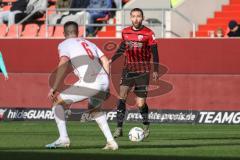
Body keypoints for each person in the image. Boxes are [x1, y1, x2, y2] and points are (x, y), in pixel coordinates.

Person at [45, 21, 118, 150]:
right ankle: (111, 142)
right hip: (103, 79)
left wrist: (55, 86)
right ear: (78, 32)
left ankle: (63, 139)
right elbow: (106, 61)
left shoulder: (64, 44)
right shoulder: (89, 43)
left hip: (89, 82)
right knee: (94, 109)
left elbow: (63, 63)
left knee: (57, 103)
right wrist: (105, 85)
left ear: (64, 33)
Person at [110, 8, 160, 138]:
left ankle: (145, 124)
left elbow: (155, 52)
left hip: (143, 71)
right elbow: (122, 47)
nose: (136, 19)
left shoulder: (149, 33)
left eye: (138, 16)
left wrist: (156, 69)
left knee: (140, 103)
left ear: (142, 18)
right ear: (130, 18)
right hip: (128, 69)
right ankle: (119, 128)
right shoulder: (125, 32)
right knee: (122, 97)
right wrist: (112, 59)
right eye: (133, 16)